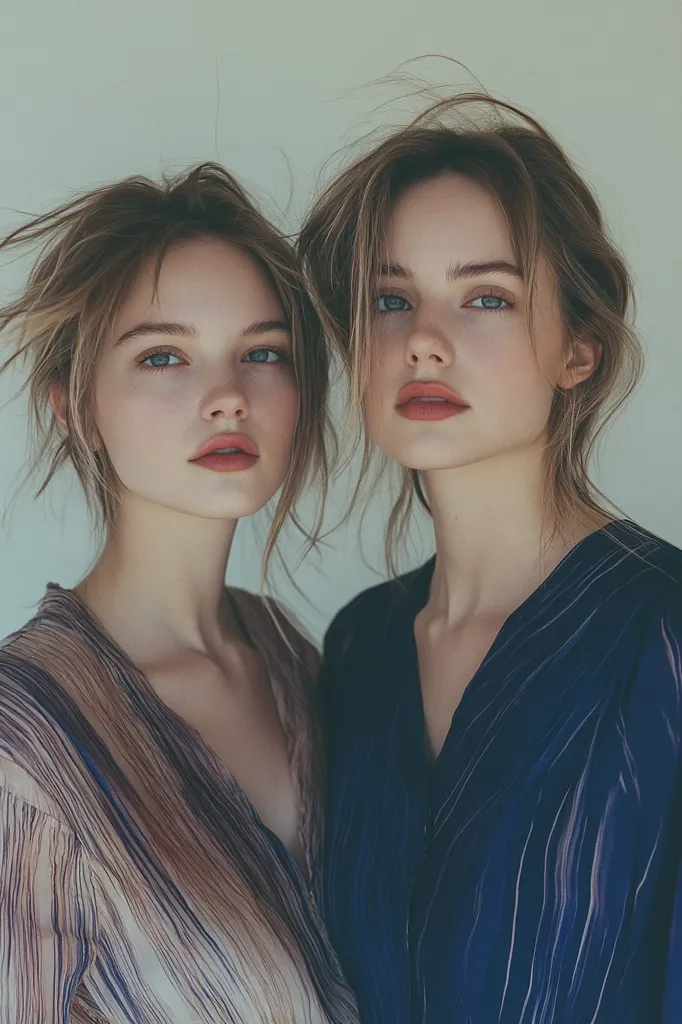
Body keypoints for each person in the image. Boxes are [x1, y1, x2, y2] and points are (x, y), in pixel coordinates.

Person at [299, 94, 682, 1023]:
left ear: (578, 351)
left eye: (486, 298)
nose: (423, 339)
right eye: (392, 300)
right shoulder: (358, 649)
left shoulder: (662, 633)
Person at [0, 164, 358, 1023]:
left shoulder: (292, 655)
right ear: (75, 407)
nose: (228, 396)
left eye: (262, 353)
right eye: (164, 356)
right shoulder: (26, 742)